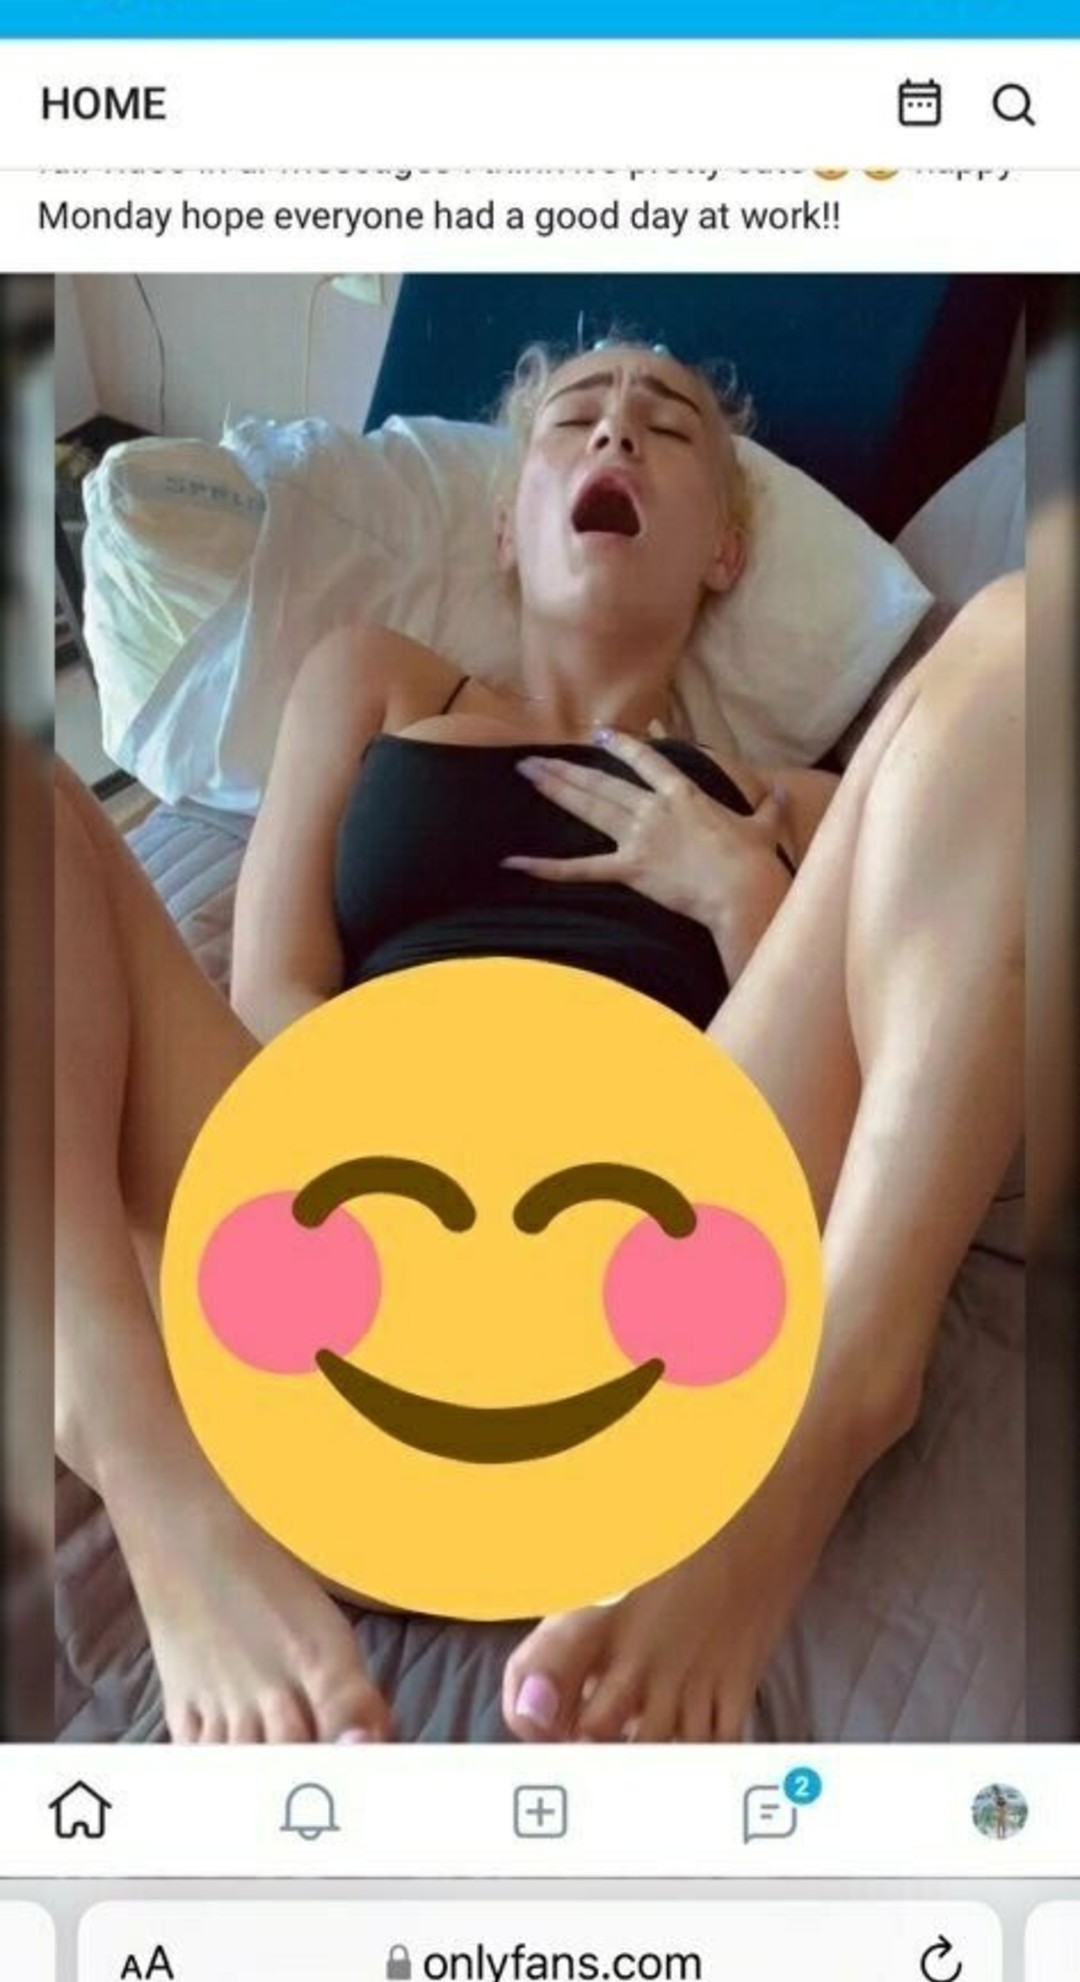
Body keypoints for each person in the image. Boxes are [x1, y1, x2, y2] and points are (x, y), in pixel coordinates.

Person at [55, 339, 1024, 1745]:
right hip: (341, 1210)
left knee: (1024, 636)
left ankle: (841, 1401)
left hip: (664, 1221)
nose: (617, 433)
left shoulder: (798, 803)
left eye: (669, 429)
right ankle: (142, 1467)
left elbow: (888, 1043)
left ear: (725, 554)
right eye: (576, 418)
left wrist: (742, 894)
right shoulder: (375, 681)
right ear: (507, 526)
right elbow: (273, 988)